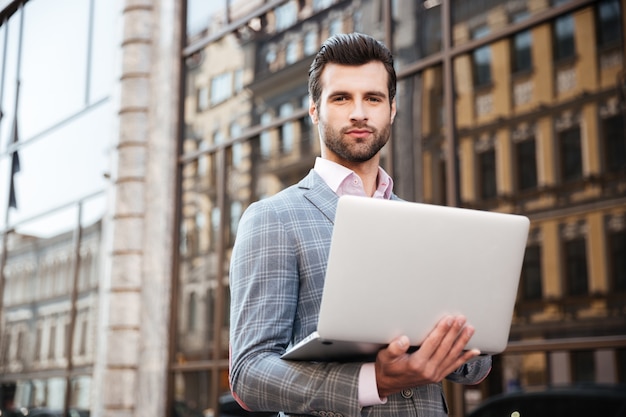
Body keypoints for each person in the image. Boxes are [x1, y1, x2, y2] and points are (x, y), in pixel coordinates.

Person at [229, 32, 492, 417]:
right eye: (341, 98)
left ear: (393, 108)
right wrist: (375, 381)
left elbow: (476, 368)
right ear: (314, 110)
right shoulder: (272, 218)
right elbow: (248, 375)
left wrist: (462, 345)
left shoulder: (426, 225)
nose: (359, 112)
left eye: (373, 98)